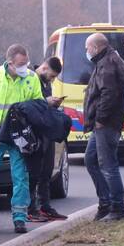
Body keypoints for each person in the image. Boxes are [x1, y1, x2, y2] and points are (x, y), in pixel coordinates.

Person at [0, 44, 43, 234]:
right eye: (20, 64)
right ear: (9, 63)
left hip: (18, 138)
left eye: (26, 63)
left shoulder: (31, 78)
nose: (24, 68)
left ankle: (20, 217)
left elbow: (38, 104)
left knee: (20, 178)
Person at [83, 32, 124, 221]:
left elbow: (108, 93)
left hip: (106, 123)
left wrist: (100, 118)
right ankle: (106, 203)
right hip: (104, 123)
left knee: (108, 165)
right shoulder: (107, 60)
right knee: (91, 159)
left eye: (88, 48)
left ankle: (118, 208)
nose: (86, 51)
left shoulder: (107, 63)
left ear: (95, 47)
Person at [27, 57, 69, 222]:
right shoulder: (30, 79)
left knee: (47, 170)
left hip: (46, 130)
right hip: (34, 132)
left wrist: (53, 103)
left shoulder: (46, 83)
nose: (52, 80)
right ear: (44, 68)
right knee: (34, 172)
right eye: (51, 76)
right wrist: (46, 102)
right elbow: (28, 104)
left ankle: (45, 206)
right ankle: (31, 208)